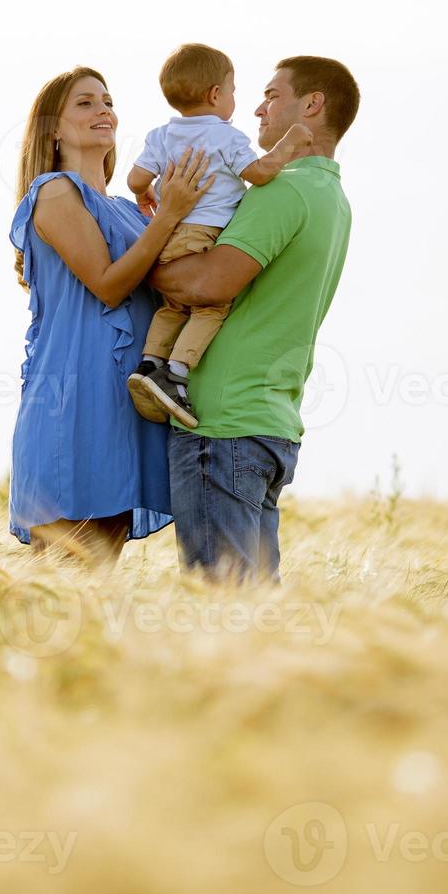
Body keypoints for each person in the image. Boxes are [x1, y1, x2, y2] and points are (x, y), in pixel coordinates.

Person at [150, 56, 359, 582]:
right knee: (253, 610)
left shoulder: (281, 189)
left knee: (218, 610)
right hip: (269, 420)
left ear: (311, 105)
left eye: (271, 96)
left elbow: (206, 284)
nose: (258, 110)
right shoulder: (331, 197)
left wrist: (147, 263)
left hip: (221, 424)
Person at [8, 65, 213, 566]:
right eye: (85, 102)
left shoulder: (126, 208)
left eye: (107, 100)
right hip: (75, 403)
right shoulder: (56, 193)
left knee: (96, 578)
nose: (104, 110)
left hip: (125, 403)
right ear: (53, 128)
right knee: (63, 580)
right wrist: (167, 217)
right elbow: (107, 284)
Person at [124, 43, 312, 429]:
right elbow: (259, 173)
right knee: (210, 308)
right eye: (232, 90)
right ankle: (176, 373)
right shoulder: (227, 138)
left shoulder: (161, 136)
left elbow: (134, 180)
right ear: (215, 95)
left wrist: (147, 191)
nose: (234, 100)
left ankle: (149, 363)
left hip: (168, 236)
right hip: (203, 232)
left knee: (172, 307)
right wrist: (290, 142)